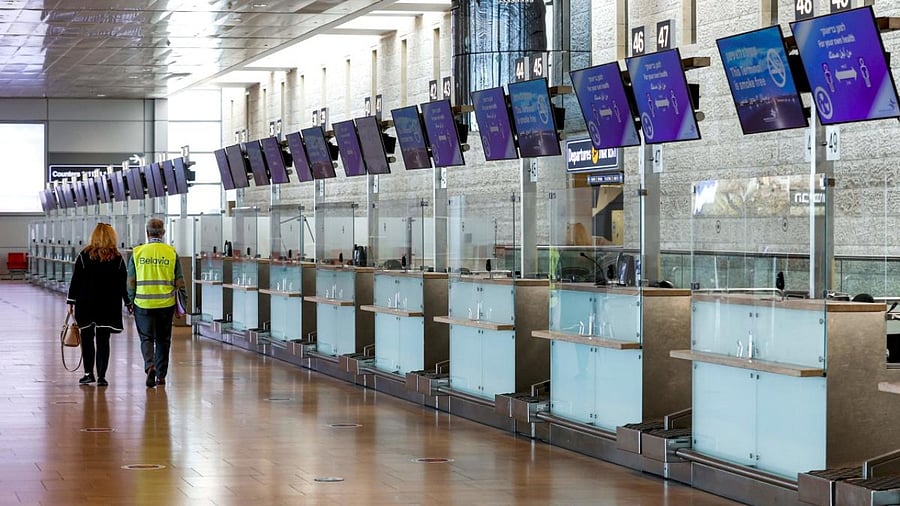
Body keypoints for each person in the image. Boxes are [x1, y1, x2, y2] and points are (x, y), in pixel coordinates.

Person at [66, 223, 130, 387]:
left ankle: (88, 373)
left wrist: (71, 301)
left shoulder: (84, 255)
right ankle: (102, 376)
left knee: (87, 338)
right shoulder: (117, 258)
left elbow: (76, 280)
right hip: (108, 305)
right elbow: (123, 284)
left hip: (86, 304)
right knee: (103, 339)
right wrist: (128, 302)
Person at [127, 218, 184, 388]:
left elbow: (131, 281)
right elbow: (179, 281)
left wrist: (130, 301)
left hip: (143, 304)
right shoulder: (171, 252)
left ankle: (149, 365)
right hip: (165, 304)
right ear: (163, 233)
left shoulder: (137, 252)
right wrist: (182, 305)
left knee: (146, 338)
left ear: (147, 233)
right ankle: (161, 375)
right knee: (163, 339)